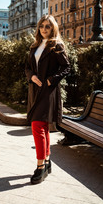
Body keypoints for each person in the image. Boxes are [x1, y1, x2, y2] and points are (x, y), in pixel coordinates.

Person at [25, 15, 70, 185]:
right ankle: (47, 160)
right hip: (34, 90)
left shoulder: (56, 45)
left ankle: (40, 166)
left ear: (53, 29)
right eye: (42, 26)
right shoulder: (35, 45)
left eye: (48, 26)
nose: (44, 29)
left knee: (37, 126)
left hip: (48, 91)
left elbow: (67, 67)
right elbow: (28, 67)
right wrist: (32, 76)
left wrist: (52, 79)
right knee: (42, 126)